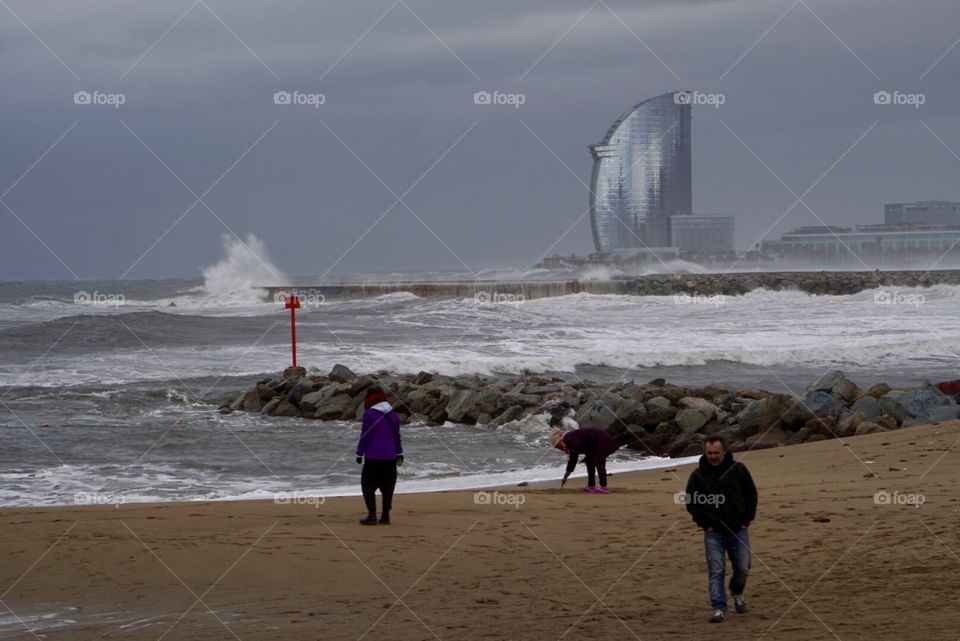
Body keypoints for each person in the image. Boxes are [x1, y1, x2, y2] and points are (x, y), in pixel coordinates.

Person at [684, 435, 758, 623]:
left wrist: (747, 520)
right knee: (716, 570)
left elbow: (751, 494)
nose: (713, 456)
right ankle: (719, 606)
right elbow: (691, 502)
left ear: (724, 451)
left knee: (743, 567)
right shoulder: (698, 475)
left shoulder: (738, 469)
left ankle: (737, 592)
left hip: (738, 529)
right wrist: (704, 524)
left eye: (716, 452)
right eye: (709, 453)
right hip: (713, 532)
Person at [355, 386, 403, 525]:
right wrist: (399, 453)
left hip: (373, 457)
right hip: (390, 457)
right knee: (387, 488)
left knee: (367, 486)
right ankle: (385, 516)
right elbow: (396, 437)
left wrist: (359, 453)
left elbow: (366, 435)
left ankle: (371, 515)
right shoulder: (393, 416)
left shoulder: (369, 414)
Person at [550, 424, 619, 493]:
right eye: (557, 447)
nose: (560, 448)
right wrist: (565, 476)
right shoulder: (569, 442)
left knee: (598, 462)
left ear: (561, 440)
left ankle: (603, 488)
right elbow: (573, 460)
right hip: (595, 443)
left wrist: (588, 458)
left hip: (601, 440)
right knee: (590, 462)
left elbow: (585, 449)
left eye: (559, 445)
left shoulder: (569, 439)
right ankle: (591, 486)